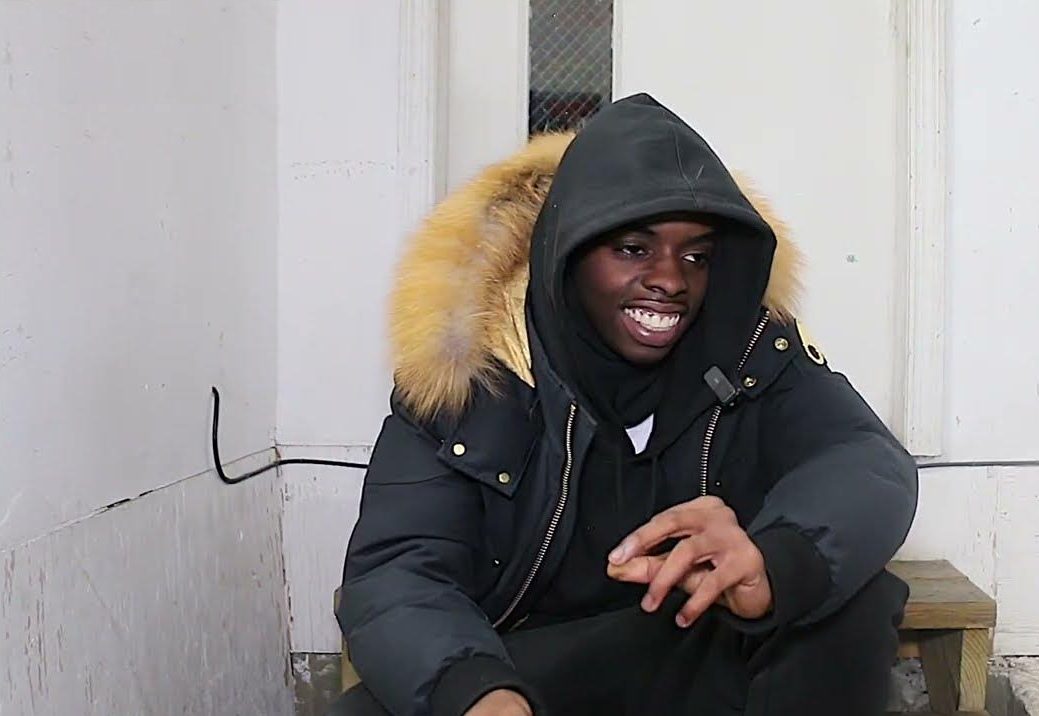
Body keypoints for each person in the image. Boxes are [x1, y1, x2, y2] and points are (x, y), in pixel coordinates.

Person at [330, 94, 918, 716]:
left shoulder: (751, 350)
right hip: (531, 659)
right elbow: (398, 570)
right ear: (565, 253)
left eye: (696, 256)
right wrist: (478, 693)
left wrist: (774, 563)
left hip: (697, 639)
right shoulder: (472, 373)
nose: (670, 279)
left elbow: (864, 460)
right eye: (633, 249)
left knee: (851, 599)